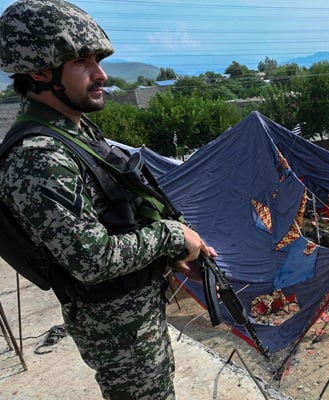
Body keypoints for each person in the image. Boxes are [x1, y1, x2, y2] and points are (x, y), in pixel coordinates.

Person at [0, 1, 215, 398]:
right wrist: (172, 236)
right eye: (82, 61)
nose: (101, 74)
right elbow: (93, 259)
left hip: (136, 315)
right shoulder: (39, 157)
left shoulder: (76, 132)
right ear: (39, 71)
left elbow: (118, 214)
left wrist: (173, 252)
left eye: (98, 59)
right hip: (116, 331)